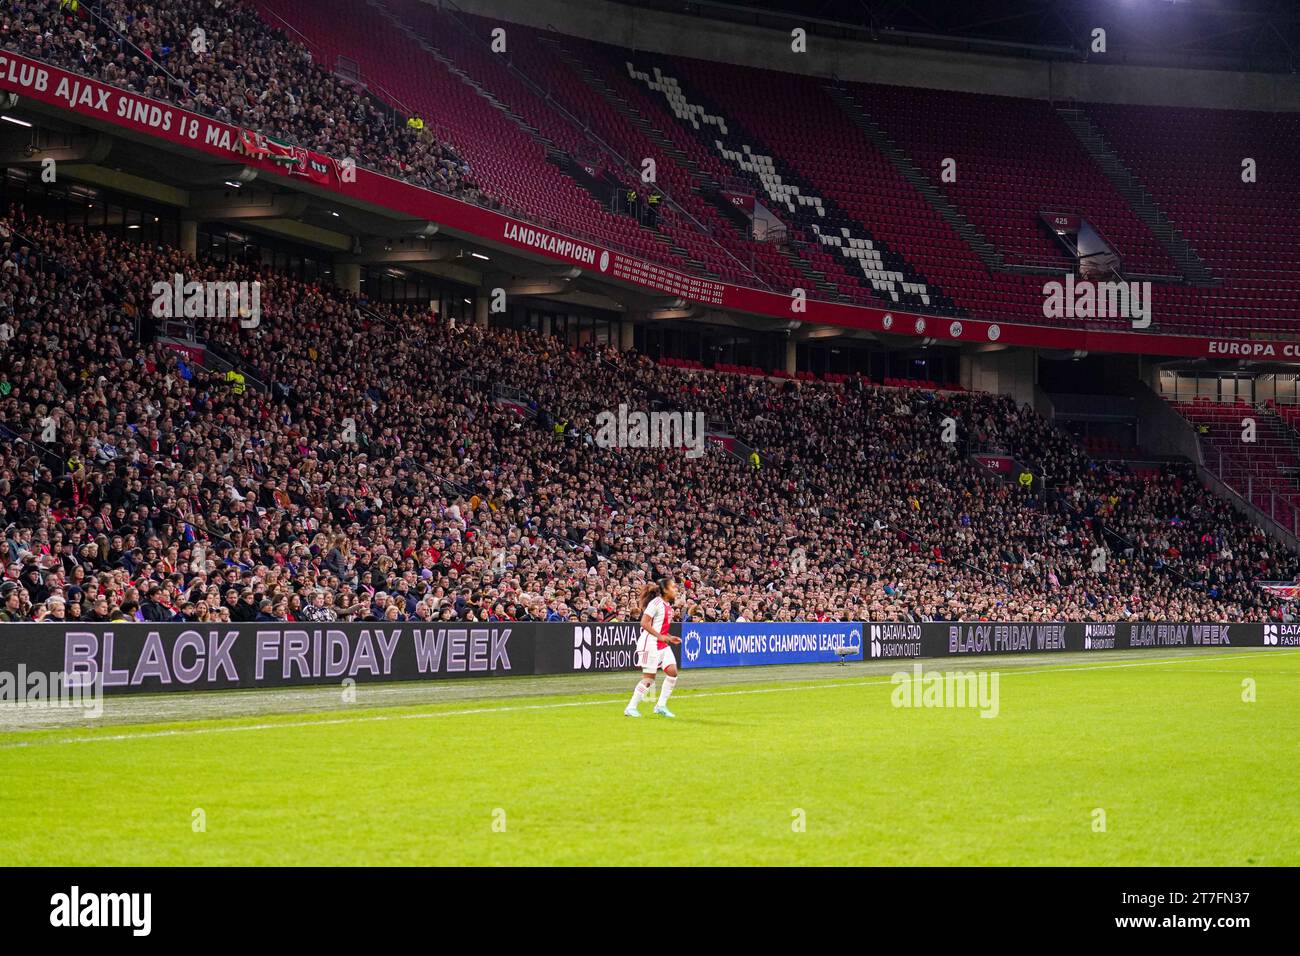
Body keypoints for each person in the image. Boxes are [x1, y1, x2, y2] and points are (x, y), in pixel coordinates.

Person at [625, 577, 682, 718]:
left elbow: (659, 628)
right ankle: (631, 707)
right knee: (649, 679)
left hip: (661, 643)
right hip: (649, 643)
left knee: (673, 672)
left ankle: (660, 706)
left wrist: (668, 637)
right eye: (673, 587)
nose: (676, 590)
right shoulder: (655, 603)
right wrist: (660, 636)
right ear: (665, 590)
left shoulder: (668, 606)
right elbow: (644, 623)